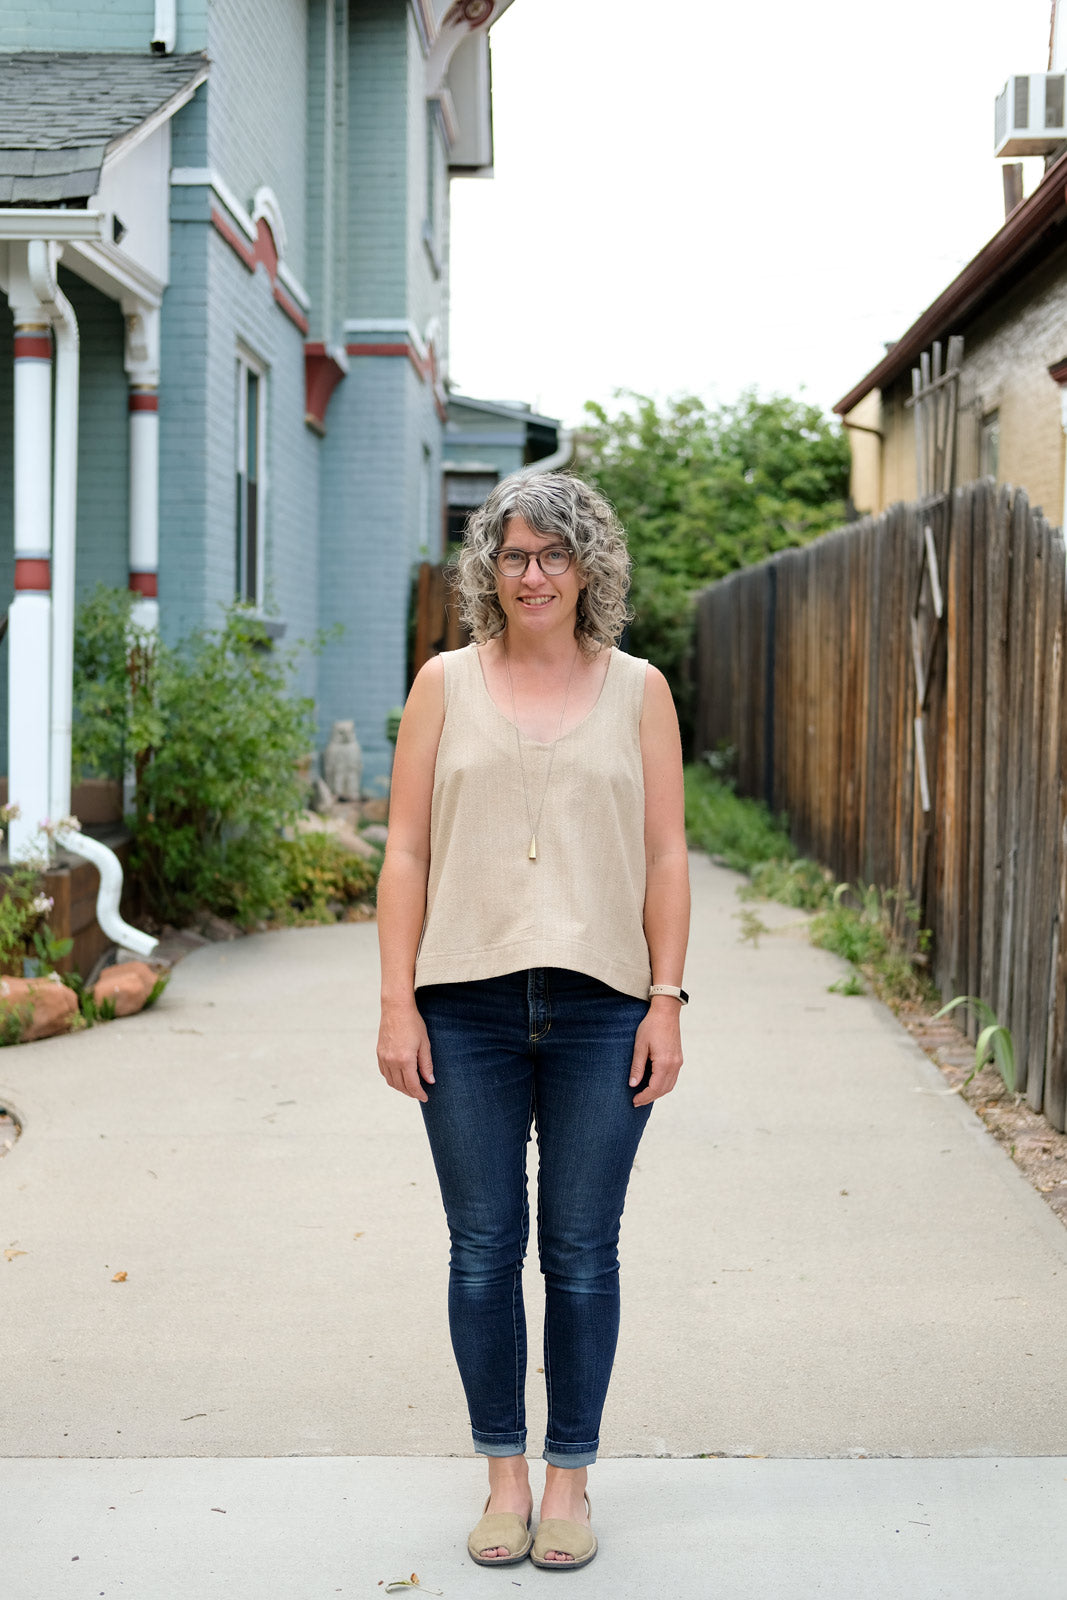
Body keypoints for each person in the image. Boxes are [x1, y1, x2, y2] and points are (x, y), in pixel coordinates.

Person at [376, 470, 690, 1570]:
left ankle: (570, 1480)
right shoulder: (442, 684)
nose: (534, 573)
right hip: (460, 1007)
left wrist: (665, 998)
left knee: (581, 1252)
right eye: (514, 554)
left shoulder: (638, 690)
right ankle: (502, 1474)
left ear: (588, 566)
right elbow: (404, 849)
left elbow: (662, 855)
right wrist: (394, 1003)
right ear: (488, 570)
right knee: (480, 1251)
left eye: (554, 554)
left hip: (604, 1008)